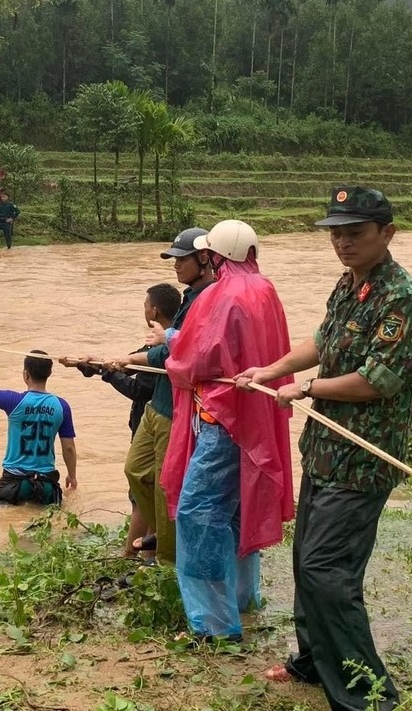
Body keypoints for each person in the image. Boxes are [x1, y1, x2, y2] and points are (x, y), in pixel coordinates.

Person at [236, 187, 412, 711]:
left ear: (387, 233)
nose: (342, 243)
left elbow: (377, 379)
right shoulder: (350, 285)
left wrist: (306, 388)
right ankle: (312, 659)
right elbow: (323, 342)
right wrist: (272, 369)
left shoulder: (403, 298)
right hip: (324, 449)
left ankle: (369, 697)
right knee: (307, 560)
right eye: (336, 233)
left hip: (363, 458)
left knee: (330, 573)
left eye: (355, 233)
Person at [160, 220, 294, 642]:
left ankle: (213, 626)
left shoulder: (222, 294)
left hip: (225, 422)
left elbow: (196, 359)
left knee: (197, 516)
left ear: (215, 256)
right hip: (254, 423)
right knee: (237, 512)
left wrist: (169, 340)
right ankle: (243, 600)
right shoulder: (265, 289)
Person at [105, 227, 216, 565]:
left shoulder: (210, 299)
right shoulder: (187, 298)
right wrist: (130, 359)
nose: (176, 265)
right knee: (135, 471)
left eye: (181, 259)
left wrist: (144, 354)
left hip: (176, 410)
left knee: (167, 486)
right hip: (158, 404)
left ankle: (166, 561)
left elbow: (185, 352)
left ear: (204, 258)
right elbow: (166, 353)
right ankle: (157, 532)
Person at [61, 282, 181, 557]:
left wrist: (109, 372)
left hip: (152, 425)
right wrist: (90, 365)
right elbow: (127, 364)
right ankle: (148, 555)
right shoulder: (159, 342)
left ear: (154, 310)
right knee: (148, 492)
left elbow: (139, 388)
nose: (143, 309)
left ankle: (133, 557)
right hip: (150, 423)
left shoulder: (166, 346)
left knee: (142, 496)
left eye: (144, 304)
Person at [0, 345, 77, 505]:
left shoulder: (13, 401)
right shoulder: (62, 406)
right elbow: (69, 448)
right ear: (49, 374)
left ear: (26, 375)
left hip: (13, 484)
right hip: (46, 485)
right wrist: (72, 476)